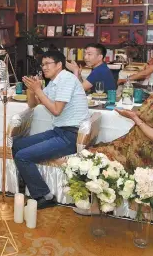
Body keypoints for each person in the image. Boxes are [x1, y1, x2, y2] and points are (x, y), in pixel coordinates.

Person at [15, 50, 89, 209]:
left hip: (71, 135)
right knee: (17, 144)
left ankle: (44, 196)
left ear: (59, 65)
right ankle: (26, 182)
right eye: (42, 65)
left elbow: (56, 110)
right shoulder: (54, 82)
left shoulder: (67, 79)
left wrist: (39, 90)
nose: (44, 68)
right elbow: (32, 104)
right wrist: (32, 89)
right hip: (60, 131)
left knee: (22, 156)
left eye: (47, 64)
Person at [89, 95, 153, 172]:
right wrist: (129, 114)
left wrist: (135, 118)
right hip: (131, 140)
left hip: (143, 152)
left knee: (97, 160)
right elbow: (142, 113)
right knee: (91, 154)